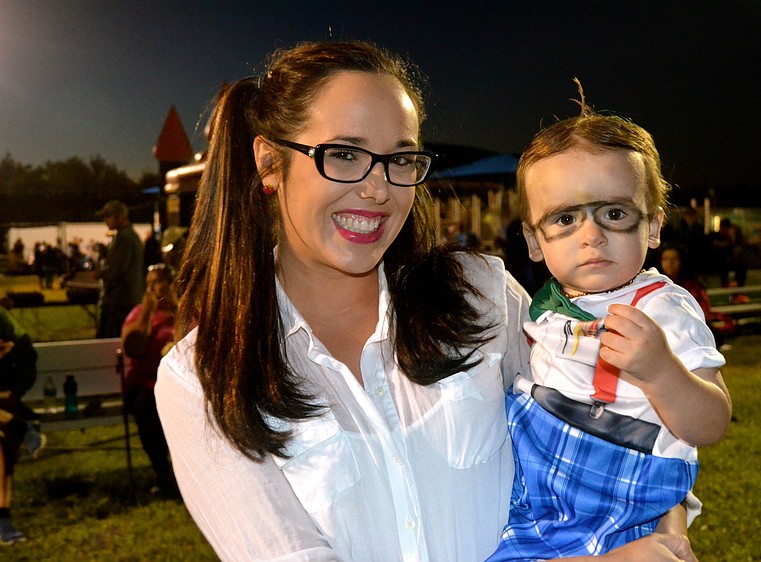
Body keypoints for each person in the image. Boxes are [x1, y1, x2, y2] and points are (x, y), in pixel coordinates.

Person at [155, 41, 699, 562]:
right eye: (344, 155)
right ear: (270, 164)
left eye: (400, 159)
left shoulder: (479, 295)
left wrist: (665, 527)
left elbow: (605, 431)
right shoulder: (204, 378)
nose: (377, 188)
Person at [487, 87, 732, 560]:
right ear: (534, 241)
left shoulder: (663, 307)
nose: (592, 235)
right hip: (540, 485)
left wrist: (662, 371)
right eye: (565, 219)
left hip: (617, 489)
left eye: (614, 213)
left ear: (655, 226)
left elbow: (711, 422)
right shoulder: (545, 305)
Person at [120, 263, 179, 498]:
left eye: (163, 281)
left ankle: (183, 473)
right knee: (146, 408)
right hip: (145, 383)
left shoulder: (183, 312)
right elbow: (133, 348)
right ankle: (163, 472)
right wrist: (147, 314)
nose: (158, 287)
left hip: (178, 383)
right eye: (153, 283)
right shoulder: (137, 314)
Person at [0, 306, 47, 545]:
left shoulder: (3, 321)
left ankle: (3, 519)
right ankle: (23, 428)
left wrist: (15, 390)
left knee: (2, 444)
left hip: (6, 392)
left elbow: (25, 353)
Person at [659, 244, 736, 348]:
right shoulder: (657, 285)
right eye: (665, 259)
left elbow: (704, 309)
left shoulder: (693, 286)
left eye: (674, 259)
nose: (669, 263)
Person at [96, 200, 145, 338]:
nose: (105, 220)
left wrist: (99, 273)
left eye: (107, 216)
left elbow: (117, 270)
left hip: (121, 301)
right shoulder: (129, 236)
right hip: (128, 298)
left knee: (110, 340)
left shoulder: (124, 238)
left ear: (119, 217)